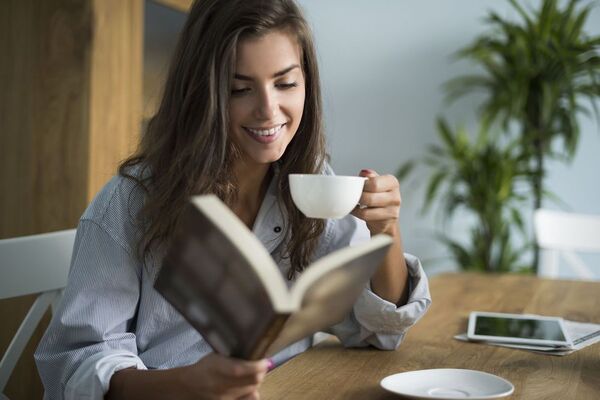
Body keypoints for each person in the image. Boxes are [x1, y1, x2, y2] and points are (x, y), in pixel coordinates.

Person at [34, 0, 431, 399]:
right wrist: (186, 386)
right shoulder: (130, 203)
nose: (268, 110)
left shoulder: (311, 186)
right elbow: (76, 365)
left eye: (286, 83)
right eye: (239, 89)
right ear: (201, 93)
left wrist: (387, 230)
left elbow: (376, 330)